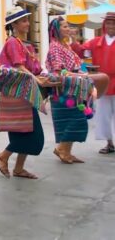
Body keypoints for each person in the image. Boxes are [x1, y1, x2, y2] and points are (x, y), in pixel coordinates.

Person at [0, 6, 50, 179]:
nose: (28, 23)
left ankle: (18, 168)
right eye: (24, 20)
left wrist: (45, 77)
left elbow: (36, 69)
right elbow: (19, 67)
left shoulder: (26, 45)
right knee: (26, 133)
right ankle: (3, 156)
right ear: (14, 24)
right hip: (16, 95)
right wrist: (37, 79)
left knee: (28, 131)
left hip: (26, 94)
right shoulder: (12, 43)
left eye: (27, 20)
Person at [46, 16, 88, 164]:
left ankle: (66, 151)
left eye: (67, 26)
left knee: (76, 119)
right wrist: (78, 74)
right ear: (56, 29)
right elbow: (58, 71)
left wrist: (80, 73)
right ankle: (62, 149)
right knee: (74, 120)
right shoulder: (55, 47)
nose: (67, 29)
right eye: (64, 26)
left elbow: (76, 63)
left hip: (73, 87)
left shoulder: (66, 45)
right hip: (63, 91)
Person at [82, 12, 115, 154]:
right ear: (104, 25)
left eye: (113, 23)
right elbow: (82, 51)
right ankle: (109, 143)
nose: (111, 26)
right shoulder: (95, 42)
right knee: (103, 114)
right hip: (102, 82)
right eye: (108, 23)